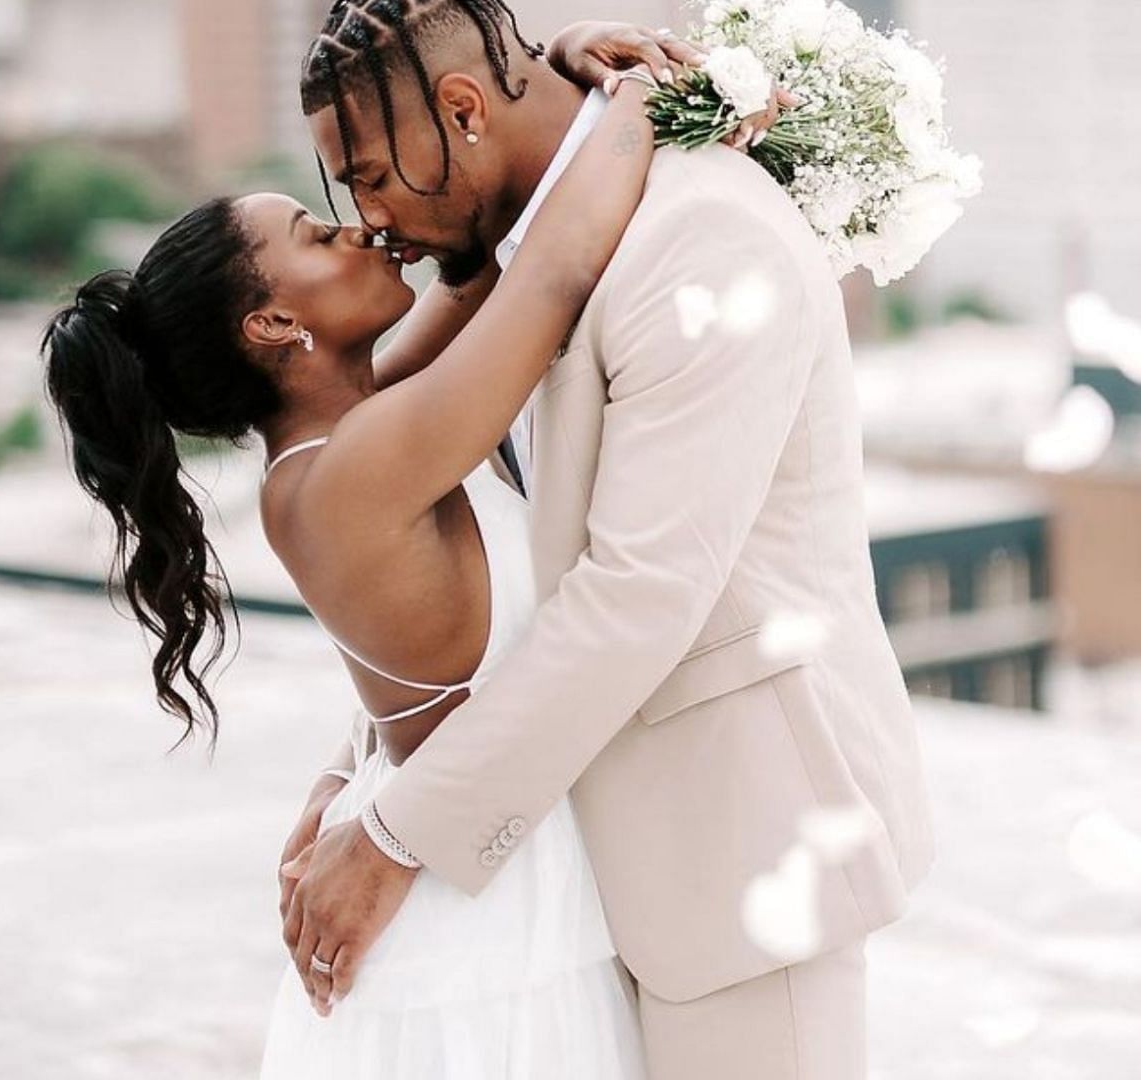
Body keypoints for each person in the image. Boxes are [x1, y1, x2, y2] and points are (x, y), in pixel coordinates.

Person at [40, 20, 736, 1077]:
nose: (359, 230)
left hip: (492, 861)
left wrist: (542, 69)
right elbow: (545, 275)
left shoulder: (353, 424)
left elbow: (471, 273)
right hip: (477, 913)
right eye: (316, 238)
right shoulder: (348, 473)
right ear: (276, 328)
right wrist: (642, 95)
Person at [282, 3, 936, 1079]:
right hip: (582, 870)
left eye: (365, 174)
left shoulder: (700, 237)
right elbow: (500, 591)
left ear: (461, 109)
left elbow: (640, 593)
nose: (364, 216)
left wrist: (397, 837)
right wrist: (358, 766)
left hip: (742, 852)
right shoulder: (514, 270)